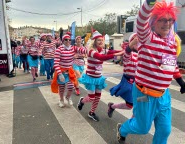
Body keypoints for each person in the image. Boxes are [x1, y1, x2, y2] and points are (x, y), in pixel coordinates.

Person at [117, 1, 185, 144]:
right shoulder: (147, 38)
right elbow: (141, 20)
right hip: (144, 93)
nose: (167, 23)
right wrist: (149, 3)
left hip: (163, 95)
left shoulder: (171, 43)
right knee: (142, 128)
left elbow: (171, 66)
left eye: (170, 20)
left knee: (165, 130)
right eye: (162, 19)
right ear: (153, 22)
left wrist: (181, 82)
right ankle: (122, 129)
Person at [77, 30, 124, 122]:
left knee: (98, 97)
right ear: (94, 41)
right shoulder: (91, 51)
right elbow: (101, 57)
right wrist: (117, 54)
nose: (101, 41)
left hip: (98, 78)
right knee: (91, 98)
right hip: (90, 78)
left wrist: (124, 50)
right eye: (98, 40)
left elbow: (112, 51)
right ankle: (82, 101)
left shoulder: (103, 50)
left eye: (102, 40)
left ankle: (91, 112)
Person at [51, 34, 87, 108]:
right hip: (62, 71)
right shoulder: (59, 49)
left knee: (71, 87)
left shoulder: (73, 48)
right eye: (66, 40)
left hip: (70, 71)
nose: (68, 41)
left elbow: (83, 50)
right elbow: (56, 63)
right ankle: (61, 100)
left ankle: (67, 97)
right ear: (63, 41)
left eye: (69, 40)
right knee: (62, 88)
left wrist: (89, 47)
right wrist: (60, 74)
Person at [108, 33, 138, 118]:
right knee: (130, 106)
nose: (138, 44)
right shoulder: (128, 54)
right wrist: (132, 43)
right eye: (136, 42)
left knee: (139, 104)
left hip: (139, 83)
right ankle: (112, 106)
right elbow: (127, 51)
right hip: (128, 82)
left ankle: (132, 124)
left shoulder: (143, 54)